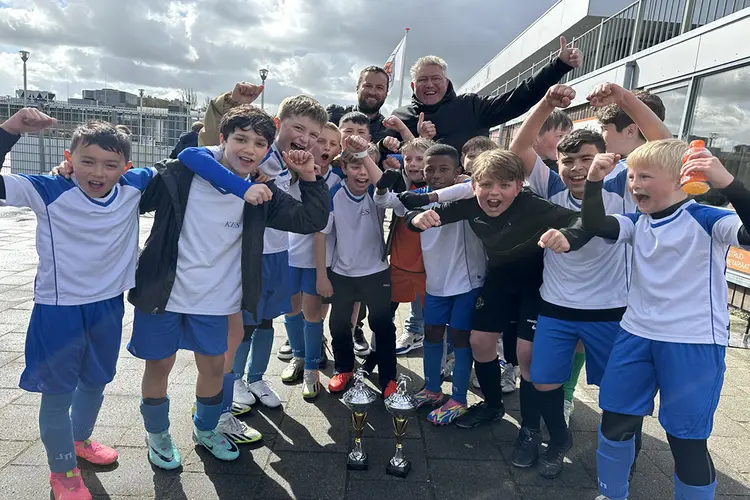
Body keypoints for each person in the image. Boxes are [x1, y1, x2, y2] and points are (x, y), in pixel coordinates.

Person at [128, 104, 330, 468]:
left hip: (217, 300)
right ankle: (157, 434)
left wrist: (310, 176)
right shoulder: (182, 174)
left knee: (214, 367)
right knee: (159, 367)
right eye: (240, 139)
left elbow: (310, 219)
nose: (248, 150)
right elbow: (132, 190)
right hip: (164, 295)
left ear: (269, 150)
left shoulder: (262, 193)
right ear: (222, 139)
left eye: (258, 143)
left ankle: (205, 429)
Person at [509, 83, 671, 478]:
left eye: (586, 159)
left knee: (620, 395)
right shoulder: (550, 188)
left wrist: (625, 101)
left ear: (607, 162)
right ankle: (559, 438)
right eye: (568, 161)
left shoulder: (620, 186)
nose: (577, 169)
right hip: (556, 308)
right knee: (543, 382)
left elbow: (666, 145)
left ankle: (622, 450)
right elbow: (518, 150)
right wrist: (546, 102)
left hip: (611, 312)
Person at [574, 141, 749, 500]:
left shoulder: (708, 218)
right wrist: (593, 182)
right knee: (615, 421)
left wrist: (729, 184)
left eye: (646, 176)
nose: (634, 183)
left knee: (686, 439)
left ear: (681, 180)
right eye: (632, 176)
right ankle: (613, 493)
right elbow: (594, 223)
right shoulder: (638, 221)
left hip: (694, 342)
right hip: (635, 334)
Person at [404, 148, 591, 464]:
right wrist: (417, 218)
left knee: (525, 357)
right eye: (486, 185)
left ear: (518, 187)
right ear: (473, 185)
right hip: (498, 283)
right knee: (479, 342)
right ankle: (492, 405)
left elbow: (580, 220)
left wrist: (566, 235)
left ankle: (530, 430)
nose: (494, 193)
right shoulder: (470, 206)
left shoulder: (532, 206)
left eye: (504, 185)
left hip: (535, 288)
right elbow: (416, 216)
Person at [0, 119, 153, 500]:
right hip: (59, 309)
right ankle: (62, 469)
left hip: (109, 304)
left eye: (110, 164)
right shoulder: (47, 189)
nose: (98, 172)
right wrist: (11, 129)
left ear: (126, 169)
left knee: (96, 381)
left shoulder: (135, 186)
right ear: (69, 159)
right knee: (57, 393)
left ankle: (80, 440)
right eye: (87, 161)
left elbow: (191, 157)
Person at [387, 37, 582, 153]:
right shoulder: (400, 117)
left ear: (446, 82)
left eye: (436, 78)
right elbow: (385, 154)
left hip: (472, 202)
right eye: (422, 80)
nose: (429, 84)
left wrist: (557, 67)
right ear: (413, 85)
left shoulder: (471, 106)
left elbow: (519, 97)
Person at [319, 136, 399, 397]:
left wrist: (366, 154)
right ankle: (344, 368)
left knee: (383, 324)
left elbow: (384, 185)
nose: (362, 172)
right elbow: (320, 236)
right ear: (343, 168)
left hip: (376, 272)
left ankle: (388, 377)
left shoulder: (379, 194)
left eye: (367, 165)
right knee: (340, 324)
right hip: (342, 273)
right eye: (355, 166)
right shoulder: (333, 194)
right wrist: (323, 275)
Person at [281, 122, 343, 398]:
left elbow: (326, 228)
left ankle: (311, 369)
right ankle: (297, 356)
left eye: (333, 143)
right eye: (321, 141)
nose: (326, 147)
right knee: (291, 309)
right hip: (288, 254)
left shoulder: (336, 182)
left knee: (312, 313)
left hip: (319, 259)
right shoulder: (289, 173)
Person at [373, 138, 434, 358]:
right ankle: (378, 348)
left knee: (434, 313)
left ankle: (442, 351)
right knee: (387, 307)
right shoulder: (402, 184)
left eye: (420, 159)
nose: (413, 163)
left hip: (430, 266)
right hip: (400, 261)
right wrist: (381, 188)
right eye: (408, 159)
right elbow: (389, 202)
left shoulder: (441, 189)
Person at [326, 66, 394, 143]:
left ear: (386, 93)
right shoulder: (335, 115)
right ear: (357, 88)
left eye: (379, 87)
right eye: (368, 86)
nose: (372, 92)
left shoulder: (389, 131)